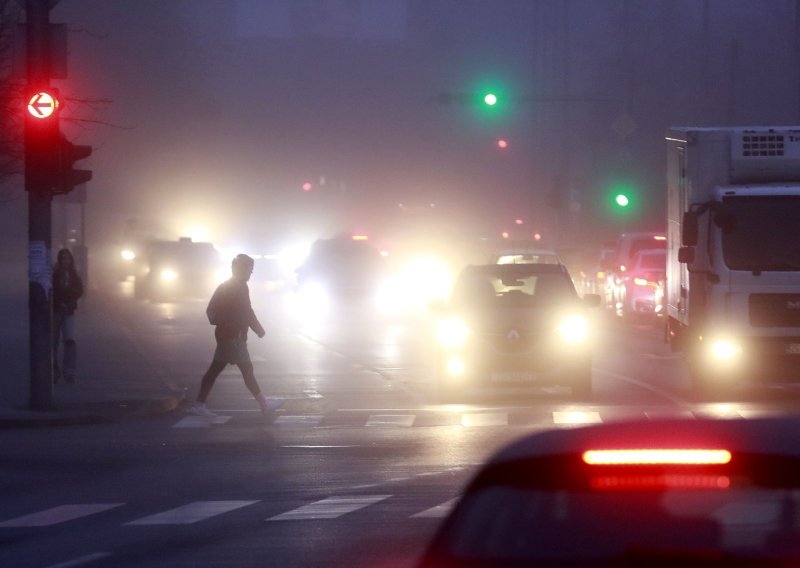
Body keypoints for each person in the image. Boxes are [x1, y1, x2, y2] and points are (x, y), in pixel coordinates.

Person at [190, 253, 283, 418]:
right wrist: (238, 327)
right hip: (232, 338)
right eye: (249, 270)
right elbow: (239, 312)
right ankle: (264, 405)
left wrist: (253, 329)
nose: (251, 273)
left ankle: (199, 403)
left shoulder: (237, 286)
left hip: (232, 337)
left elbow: (244, 311)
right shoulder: (233, 287)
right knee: (245, 370)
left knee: (219, 370)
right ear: (241, 269)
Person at [52, 248, 84, 383]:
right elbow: (52, 290)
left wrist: (69, 301)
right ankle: (54, 371)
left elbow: (79, 290)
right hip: (56, 311)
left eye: (68, 258)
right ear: (59, 260)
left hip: (69, 311)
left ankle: (69, 372)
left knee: (70, 341)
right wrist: (61, 301)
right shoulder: (54, 274)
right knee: (52, 343)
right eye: (63, 258)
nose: (66, 261)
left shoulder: (74, 275)